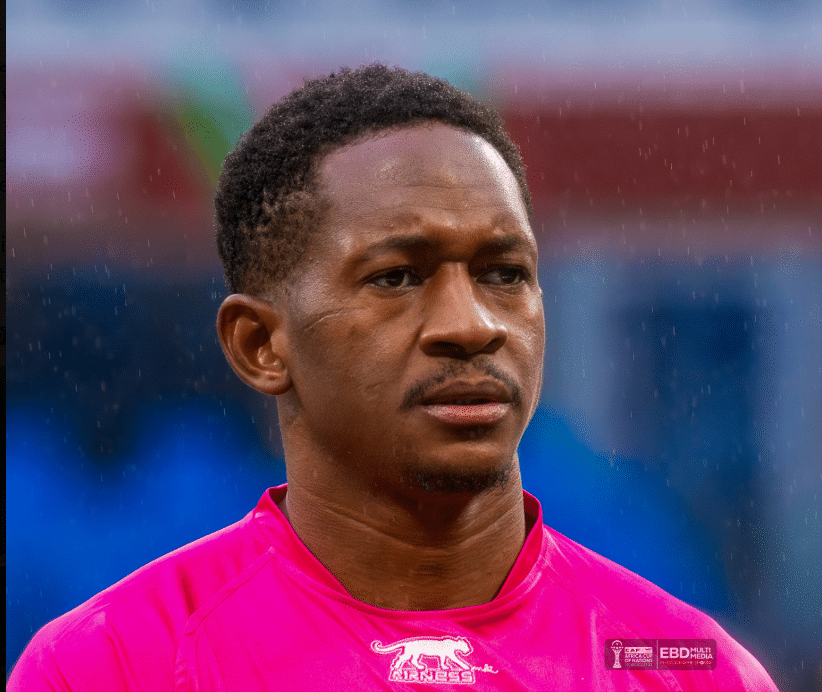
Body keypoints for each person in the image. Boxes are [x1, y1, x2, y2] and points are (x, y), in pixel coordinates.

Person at [9, 63, 778, 691]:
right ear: (259, 344)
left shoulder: (689, 666)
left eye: (504, 273)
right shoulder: (110, 665)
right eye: (397, 278)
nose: (470, 324)